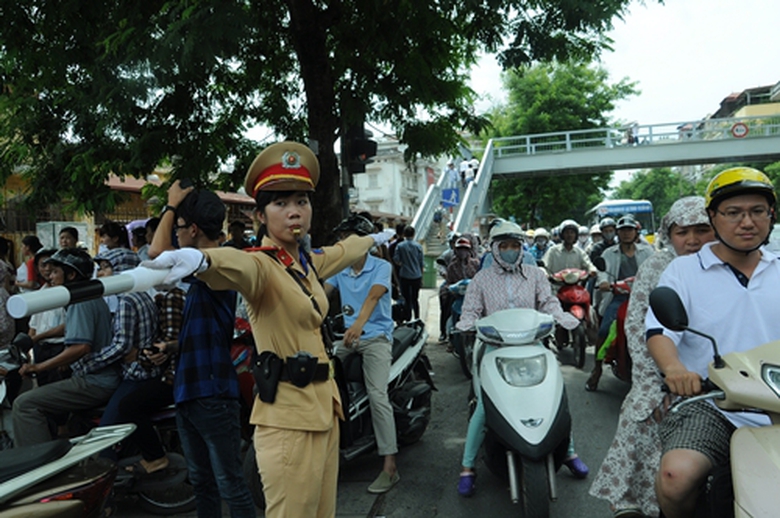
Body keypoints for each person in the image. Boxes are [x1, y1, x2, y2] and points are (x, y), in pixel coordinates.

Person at [143, 142, 390, 517]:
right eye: (280, 203)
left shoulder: (305, 263)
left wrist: (375, 239)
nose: (295, 212)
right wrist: (198, 258)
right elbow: (234, 264)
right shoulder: (263, 266)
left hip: (324, 410)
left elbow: (343, 252)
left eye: (301, 202)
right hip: (288, 420)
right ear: (260, 215)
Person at [645, 167, 780, 518]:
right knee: (677, 476)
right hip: (712, 402)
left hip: (776, 403)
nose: (747, 222)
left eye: (757, 211)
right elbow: (660, 333)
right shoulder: (684, 271)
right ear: (713, 217)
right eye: (733, 213)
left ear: (772, 215)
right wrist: (675, 369)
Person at [589, 196, 715, 517]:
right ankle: (632, 498)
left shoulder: (730, 262)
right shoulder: (657, 264)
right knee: (639, 409)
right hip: (664, 373)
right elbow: (639, 325)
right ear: (668, 234)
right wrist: (657, 383)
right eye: (682, 232)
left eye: (702, 230)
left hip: (726, 377)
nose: (692, 240)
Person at [455, 219, 589, 497]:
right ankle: (467, 467)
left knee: (555, 399)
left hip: (533, 346)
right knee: (484, 406)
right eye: (503, 245)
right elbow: (470, 310)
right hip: (494, 348)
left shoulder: (536, 274)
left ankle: (569, 451)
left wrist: (563, 318)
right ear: (493, 248)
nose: (510, 250)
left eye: (515, 245)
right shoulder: (481, 279)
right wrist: (466, 323)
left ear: (522, 248)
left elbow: (549, 303)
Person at [145, 181, 255, 516]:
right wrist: (174, 345)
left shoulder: (217, 262)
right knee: (203, 483)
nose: (175, 234)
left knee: (230, 485)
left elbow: (157, 255)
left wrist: (171, 205)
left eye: (178, 227)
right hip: (192, 391)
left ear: (192, 229)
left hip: (211, 393)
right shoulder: (204, 268)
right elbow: (209, 331)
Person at [12, 248, 119, 446]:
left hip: (95, 381)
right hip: (96, 377)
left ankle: (39, 467)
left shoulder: (80, 301)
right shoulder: (88, 295)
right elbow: (70, 327)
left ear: (71, 275)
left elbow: (80, 348)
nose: (50, 277)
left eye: (55, 272)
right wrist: (36, 338)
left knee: (24, 404)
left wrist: (38, 367)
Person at [325, 213, 400, 494]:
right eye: (341, 239)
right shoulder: (340, 268)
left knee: (378, 395)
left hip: (376, 337)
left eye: (347, 239)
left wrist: (358, 324)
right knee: (320, 378)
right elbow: (323, 293)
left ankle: (390, 466)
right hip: (347, 338)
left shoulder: (380, 266)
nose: (342, 244)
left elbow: (374, 296)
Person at [586, 214, 654, 391]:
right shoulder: (609, 253)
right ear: (618, 233)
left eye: (630, 230)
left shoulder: (647, 251)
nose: (626, 234)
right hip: (618, 297)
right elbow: (603, 271)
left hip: (643, 298)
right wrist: (603, 282)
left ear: (636, 232)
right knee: (604, 330)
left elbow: (657, 269)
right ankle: (597, 369)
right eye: (623, 231)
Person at [27, 248, 68, 387]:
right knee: (42, 386)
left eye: (52, 264)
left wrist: (38, 337)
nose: (47, 268)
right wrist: (28, 346)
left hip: (59, 348)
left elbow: (69, 326)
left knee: (58, 389)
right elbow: (33, 325)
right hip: (41, 349)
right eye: (43, 265)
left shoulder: (66, 294)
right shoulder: (41, 293)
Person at [393, 225, 424, 322]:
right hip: (416, 275)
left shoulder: (400, 246)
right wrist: (421, 277)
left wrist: (403, 263)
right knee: (415, 298)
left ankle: (408, 318)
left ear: (404, 234)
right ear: (414, 234)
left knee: (406, 299)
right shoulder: (418, 246)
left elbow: (396, 259)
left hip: (404, 275)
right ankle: (417, 317)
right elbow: (421, 262)